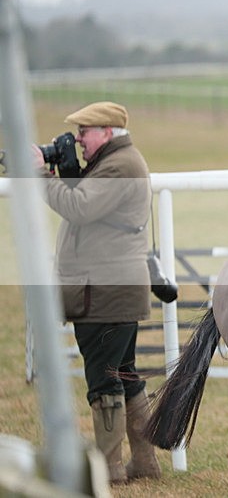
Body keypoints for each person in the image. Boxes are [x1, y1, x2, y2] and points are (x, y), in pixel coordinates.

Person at [33, 101, 161, 484]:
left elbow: (79, 206)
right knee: (125, 375)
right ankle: (144, 463)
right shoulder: (117, 161)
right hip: (111, 289)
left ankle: (110, 469)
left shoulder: (119, 166)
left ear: (106, 131)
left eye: (83, 132)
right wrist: (64, 172)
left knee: (104, 382)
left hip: (104, 293)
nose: (78, 140)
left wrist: (40, 175)